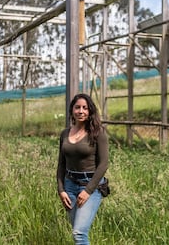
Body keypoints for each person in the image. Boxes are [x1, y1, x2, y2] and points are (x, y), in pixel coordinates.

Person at [56, 93, 109, 245]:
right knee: (77, 231)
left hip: (91, 185)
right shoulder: (65, 133)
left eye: (85, 108)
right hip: (69, 186)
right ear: (72, 110)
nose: (81, 111)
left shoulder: (98, 133)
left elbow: (104, 164)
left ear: (90, 111)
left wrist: (88, 191)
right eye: (77, 107)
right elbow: (61, 164)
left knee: (79, 233)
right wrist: (61, 190)